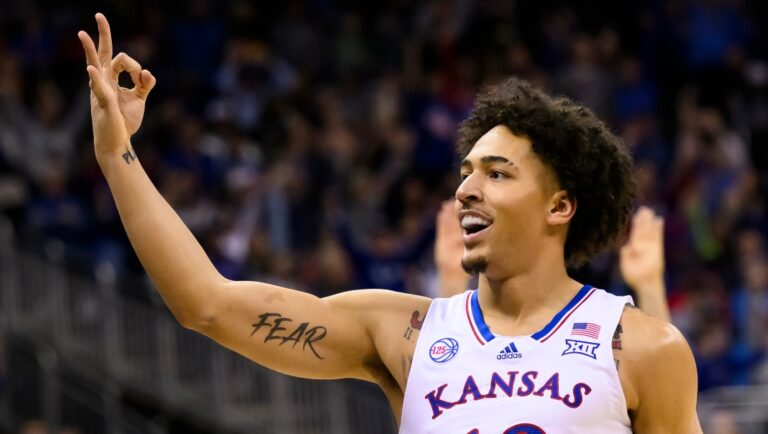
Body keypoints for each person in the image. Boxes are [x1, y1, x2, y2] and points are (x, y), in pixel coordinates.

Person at [79, 13, 701, 433]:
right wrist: (117, 157)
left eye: (498, 174)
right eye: (466, 172)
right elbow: (206, 304)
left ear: (560, 207)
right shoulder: (402, 331)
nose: (466, 190)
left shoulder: (644, 349)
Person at [436, 203, 672, 322]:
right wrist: (451, 281)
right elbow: (441, 364)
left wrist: (649, 287)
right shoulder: (484, 319)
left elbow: (666, 386)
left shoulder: (603, 319)